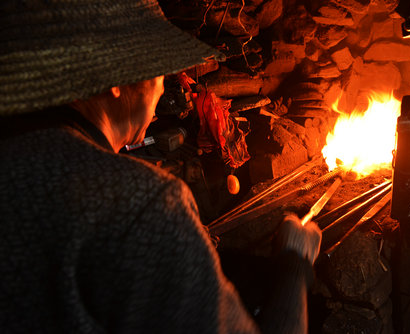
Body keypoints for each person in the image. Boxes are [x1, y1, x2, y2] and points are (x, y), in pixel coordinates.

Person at [0, 1, 322, 333]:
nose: (162, 87)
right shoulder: (138, 202)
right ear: (116, 78)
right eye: (159, 71)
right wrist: (294, 266)